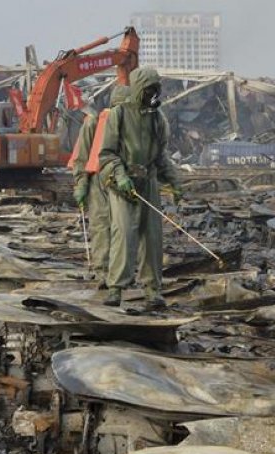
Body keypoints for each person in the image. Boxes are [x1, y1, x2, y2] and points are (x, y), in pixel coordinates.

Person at [98, 67, 183, 310]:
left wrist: (175, 182)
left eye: (155, 90)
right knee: (124, 234)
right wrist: (120, 174)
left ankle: (152, 290)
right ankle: (116, 287)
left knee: (153, 237)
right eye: (148, 90)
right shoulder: (119, 115)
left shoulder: (158, 119)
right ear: (138, 89)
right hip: (123, 184)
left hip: (149, 183)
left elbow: (161, 157)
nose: (152, 94)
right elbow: (107, 153)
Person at [71, 85, 130, 289]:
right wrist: (81, 184)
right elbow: (82, 157)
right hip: (98, 181)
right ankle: (102, 271)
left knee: (124, 228)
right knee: (101, 225)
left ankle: (123, 270)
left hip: (123, 180)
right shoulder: (94, 123)